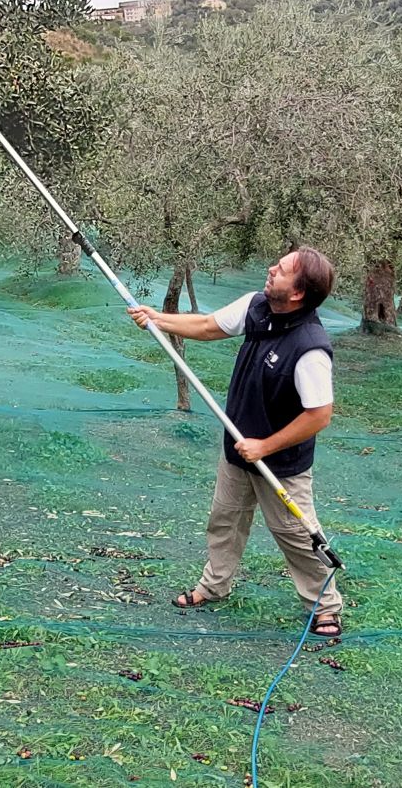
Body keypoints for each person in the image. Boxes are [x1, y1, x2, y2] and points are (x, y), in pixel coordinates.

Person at [128, 248, 344, 638]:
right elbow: (210, 326)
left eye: (282, 270)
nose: (271, 268)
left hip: (280, 463)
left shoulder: (310, 347)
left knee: (295, 535)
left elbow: (319, 415)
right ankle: (214, 586)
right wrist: (157, 319)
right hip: (237, 448)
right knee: (224, 521)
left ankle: (325, 605)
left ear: (297, 293)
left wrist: (265, 446)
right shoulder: (257, 306)